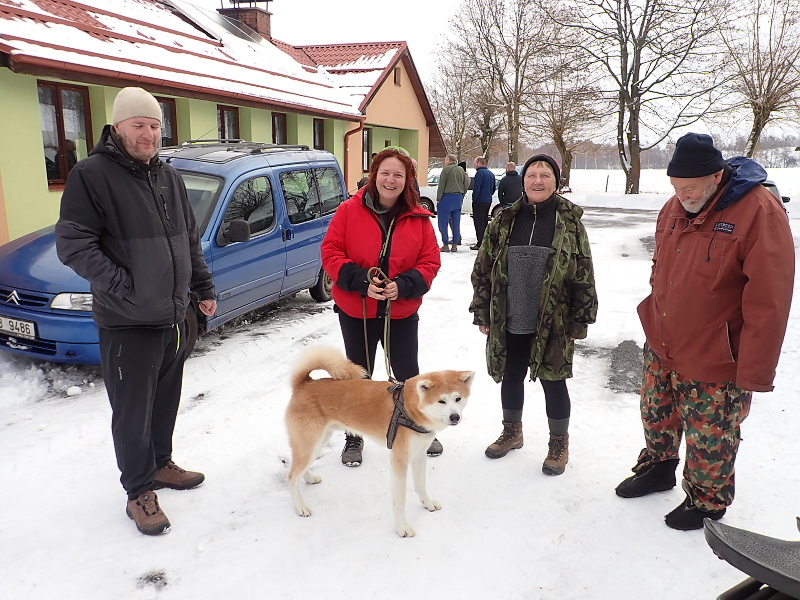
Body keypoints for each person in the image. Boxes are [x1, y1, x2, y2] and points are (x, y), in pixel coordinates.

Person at [55, 87, 217, 536]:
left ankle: (161, 464)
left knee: (165, 400)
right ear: (118, 127)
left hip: (173, 316)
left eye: (155, 125)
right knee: (132, 411)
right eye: (139, 125)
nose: (148, 134)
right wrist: (125, 287)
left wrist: (201, 287)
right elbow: (72, 244)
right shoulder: (92, 175)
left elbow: (189, 240)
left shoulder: (168, 176)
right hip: (127, 322)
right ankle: (139, 491)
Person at [615, 133, 795, 530]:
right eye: (675, 188)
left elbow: (771, 300)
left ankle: (706, 502)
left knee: (709, 434)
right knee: (655, 413)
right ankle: (659, 468)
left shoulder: (758, 212)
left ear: (716, 177)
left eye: (689, 188)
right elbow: (661, 267)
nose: (681, 195)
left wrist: (754, 371)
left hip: (716, 354)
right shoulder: (674, 208)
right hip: (663, 341)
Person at [469, 154, 597, 475]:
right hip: (509, 317)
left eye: (545, 175)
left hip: (554, 320)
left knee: (554, 382)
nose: (537, 181)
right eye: (531, 175)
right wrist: (483, 310)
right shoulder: (504, 220)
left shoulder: (568, 223)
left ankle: (558, 444)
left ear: (556, 182)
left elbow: (583, 272)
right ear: (523, 181)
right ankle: (512, 432)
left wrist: (580, 318)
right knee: (510, 376)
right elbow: (483, 268)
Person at [321, 146, 442, 467]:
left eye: (399, 175)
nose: (391, 180)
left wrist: (402, 285)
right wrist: (361, 281)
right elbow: (331, 251)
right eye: (385, 173)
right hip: (356, 312)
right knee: (356, 377)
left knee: (407, 374)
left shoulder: (419, 218)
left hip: (400, 313)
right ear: (374, 176)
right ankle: (353, 436)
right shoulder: (349, 210)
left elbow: (430, 261)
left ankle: (418, 424)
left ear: (408, 180)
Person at [436, 154, 468, 252]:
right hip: (458, 198)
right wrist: (462, 194)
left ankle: (445, 244)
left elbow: (441, 185)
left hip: (446, 198)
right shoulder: (461, 170)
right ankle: (455, 244)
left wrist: (439, 198)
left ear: (448, 160)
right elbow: (466, 183)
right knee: (456, 223)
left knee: (443, 222)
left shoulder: (446, 170)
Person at [470, 155, 496, 250]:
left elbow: (477, 188)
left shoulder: (479, 174)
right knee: (485, 221)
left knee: (478, 222)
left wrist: (474, 199)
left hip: (479, 201)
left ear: (479, 163)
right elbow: (493, 188)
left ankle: (480, 242)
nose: (474, 165)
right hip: (488, 200)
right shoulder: (491, 174)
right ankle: (486, 241)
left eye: (475, 163)